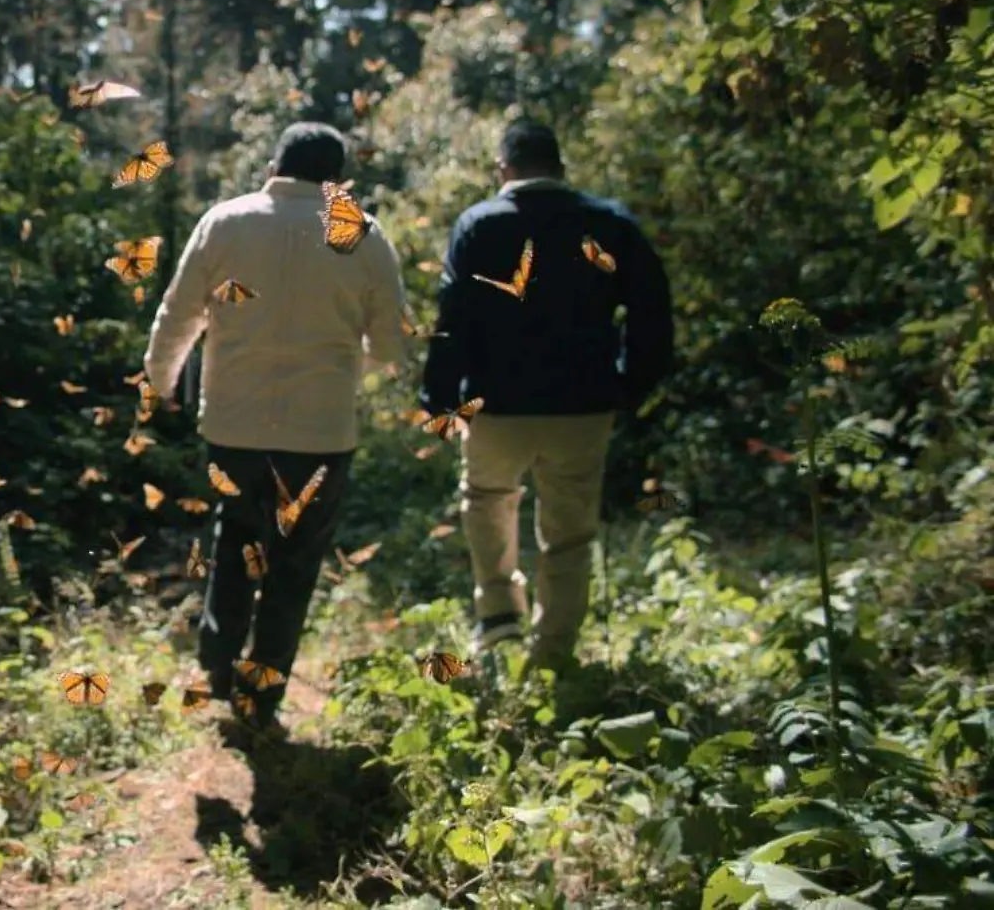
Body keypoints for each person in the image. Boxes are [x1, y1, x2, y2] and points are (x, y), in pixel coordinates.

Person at [145, 122, 409, 731]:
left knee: (236, 548)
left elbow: (178, 313)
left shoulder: (226, 222)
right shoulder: (365, 237)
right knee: (293, 567)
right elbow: (393, 347)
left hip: (234, 430)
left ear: (273, 165)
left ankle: (217, 669)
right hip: (321, 435)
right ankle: (262, 697)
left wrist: (160, 384)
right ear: (337, 182)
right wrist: (343, 369)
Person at [420, 120, 674, 670]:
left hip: (494, 406)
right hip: (583, 402)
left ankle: (499, 621)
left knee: (487, 502)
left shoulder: (478, 225)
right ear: (560, 167)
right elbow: (653, 311)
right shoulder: (609, 224)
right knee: (570, 534)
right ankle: (553, 652)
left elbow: (453, 321)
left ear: (502, 168)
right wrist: (630, 383)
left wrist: (439, 399)